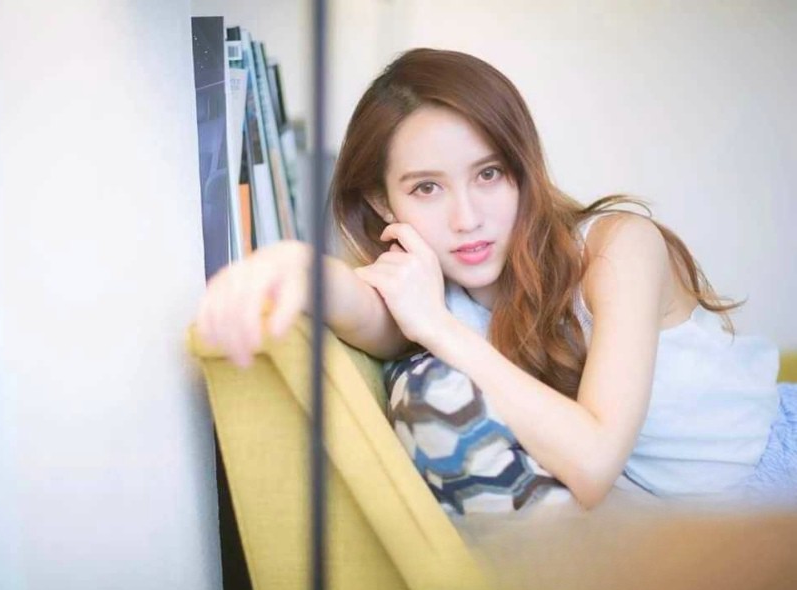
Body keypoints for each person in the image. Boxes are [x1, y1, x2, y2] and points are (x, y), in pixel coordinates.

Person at [195, 48, 796, 510]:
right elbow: (359, 303)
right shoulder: (434, 290)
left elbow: (593, 463)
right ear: (381, 201)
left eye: (488, 174)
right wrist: (292, 264)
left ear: (522, 168)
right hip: (696, 519)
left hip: (773, 470)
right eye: (426, 188)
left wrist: (438, 327)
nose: (467, 218)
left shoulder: (619, 247)